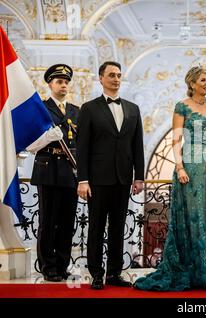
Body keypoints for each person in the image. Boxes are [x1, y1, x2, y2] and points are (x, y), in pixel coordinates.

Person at [134, 66, 206, 291]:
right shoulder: (182, 106)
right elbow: (175, 140)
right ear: (192, 83)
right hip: (190, 168)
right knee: (193, 217)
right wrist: (179, 166)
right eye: (203, 80)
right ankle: (194, 270)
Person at [76, 61, 145, 290]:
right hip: (96, 179)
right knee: (96, 228)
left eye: (118, 75)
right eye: (111, 75)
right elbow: (82, 147)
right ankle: (96, 274)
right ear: (101, 78)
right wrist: (82, 180)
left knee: (118, 227)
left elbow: (138, 146)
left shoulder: (133, 109)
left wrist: (139, 176)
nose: (116, 79)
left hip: (123, 178)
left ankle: (114, 273)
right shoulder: (89, 108)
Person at [29, 64, 78, 282]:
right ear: (50, 84)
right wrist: (47, 138)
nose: (63, 85)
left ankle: (62, 263)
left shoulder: (76, 111)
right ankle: (48, 266)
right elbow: (29, 144)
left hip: (70, 171)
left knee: (67, 221)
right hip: (48, 169)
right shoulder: (40, 108)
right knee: (48, 221)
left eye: (66, 81)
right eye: (59, 81)